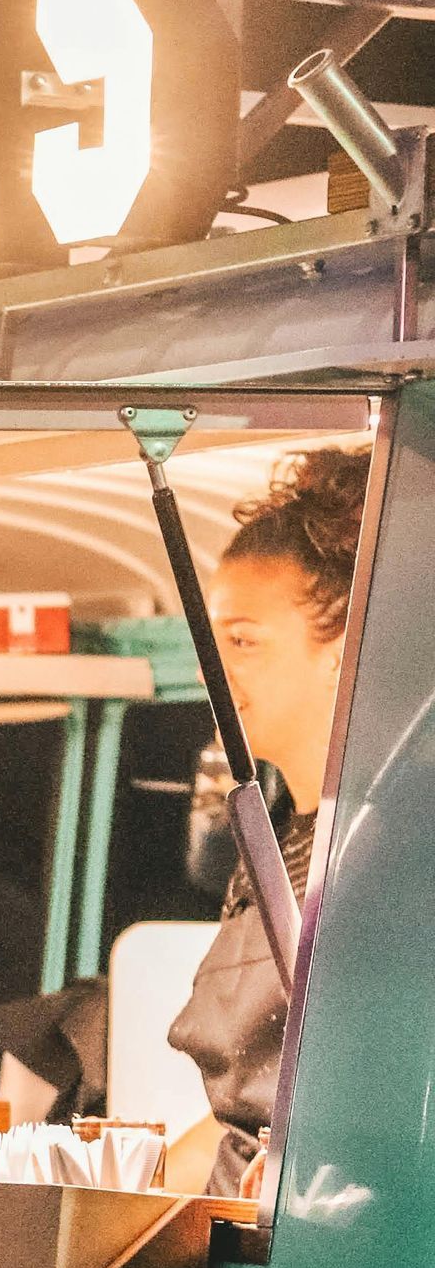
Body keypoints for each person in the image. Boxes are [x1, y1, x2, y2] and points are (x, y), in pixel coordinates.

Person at [169, 446, 367, 1197]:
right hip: (229, 1247)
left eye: (243, 642)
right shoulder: (268, 839)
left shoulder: (392, 851)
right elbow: (236, 1131)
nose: (210, 672)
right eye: (210, 644)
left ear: (343, 655)